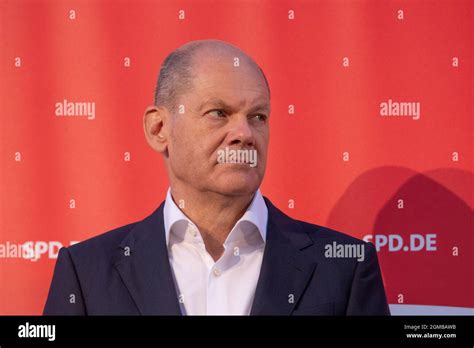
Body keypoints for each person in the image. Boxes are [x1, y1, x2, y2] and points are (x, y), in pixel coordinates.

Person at [44, 39, 390, 315]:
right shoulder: (86, 274)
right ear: (159, 128)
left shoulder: (345, 268)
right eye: (218, 113)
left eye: (258, 116)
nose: (244, 133)